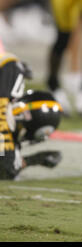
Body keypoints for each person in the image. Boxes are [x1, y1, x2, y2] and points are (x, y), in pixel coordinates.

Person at [0, 52, 62, 180]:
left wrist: (34, 159)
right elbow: (6, 169)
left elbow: (8, 167)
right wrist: (33, 160)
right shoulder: (11, 69)